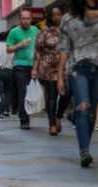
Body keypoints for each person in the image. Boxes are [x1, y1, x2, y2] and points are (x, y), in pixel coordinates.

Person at [57, 0, 98, 167]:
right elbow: (64, 48)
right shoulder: (68, 19)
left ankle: (84, 140)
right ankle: (84, 151)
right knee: (83, 106)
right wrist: (59, 76)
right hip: (77, 67)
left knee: (91, 112)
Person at [33, 6, 66, 136]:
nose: (56, 17)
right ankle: (52, 124)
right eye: (54, 15)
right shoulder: (45, 32)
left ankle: (58, 116)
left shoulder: (67, 31)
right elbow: (37, 51)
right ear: (50, 17)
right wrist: (35, 68)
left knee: (67, 93)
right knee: (51, 96)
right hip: (48, 67)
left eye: (59, 14)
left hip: (65, 67)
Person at [7, 10, 39, 130]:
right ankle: (24, 120)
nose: (25, 21)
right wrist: (20, 44)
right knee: (23, 93)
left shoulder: (36, 31)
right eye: (23, 18)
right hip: (19, 66)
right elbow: (8, 49)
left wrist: (36, 66)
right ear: (20, 19)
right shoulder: (14, 32)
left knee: (32, 93)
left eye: (28, 18)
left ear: (31, 19)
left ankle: (28, 114)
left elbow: (39, 48)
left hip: (34, 65)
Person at [0, 31, 14, 118]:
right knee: (7, 91)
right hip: (9, 70)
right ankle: (6, 110)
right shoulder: (10, 46)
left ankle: (0, 111)